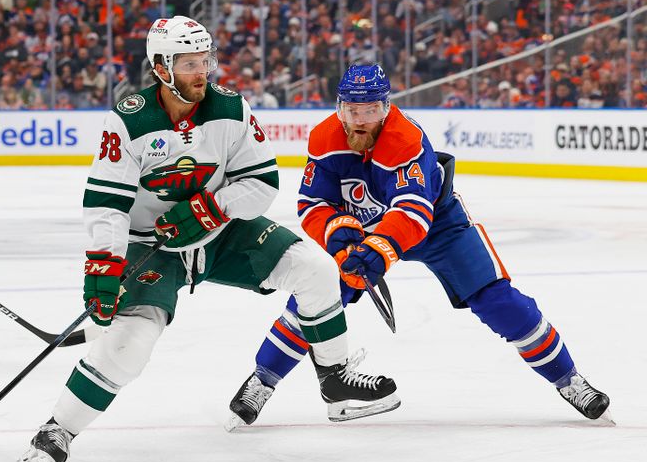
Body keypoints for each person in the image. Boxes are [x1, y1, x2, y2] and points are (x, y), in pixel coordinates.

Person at [19, 18, 400, 462]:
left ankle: (335, 380)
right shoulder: (128, 120)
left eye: (205, 60)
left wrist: (208, 210)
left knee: (315, 268)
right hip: (151, 245)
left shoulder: (231, 109)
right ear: (161, 67)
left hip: (220, 235)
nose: (202, 71)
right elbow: (106, 205)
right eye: (188, 63)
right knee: (128, 345)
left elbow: (262, 183)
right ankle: (59, 428)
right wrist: (104, 268)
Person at [226, 64, 611, 429]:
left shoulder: (405, 138)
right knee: (316, 298)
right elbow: (313, 204)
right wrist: (341, 239)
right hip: (361, 232)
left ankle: (569, 380)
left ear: (387, 107)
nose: (360, 119)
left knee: (498, 299)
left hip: (437, 227)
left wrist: (378, 250)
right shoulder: (325, 138)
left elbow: (413, 209)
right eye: (352, 109)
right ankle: (263, 380)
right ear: (339, 108)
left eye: (371, 109)